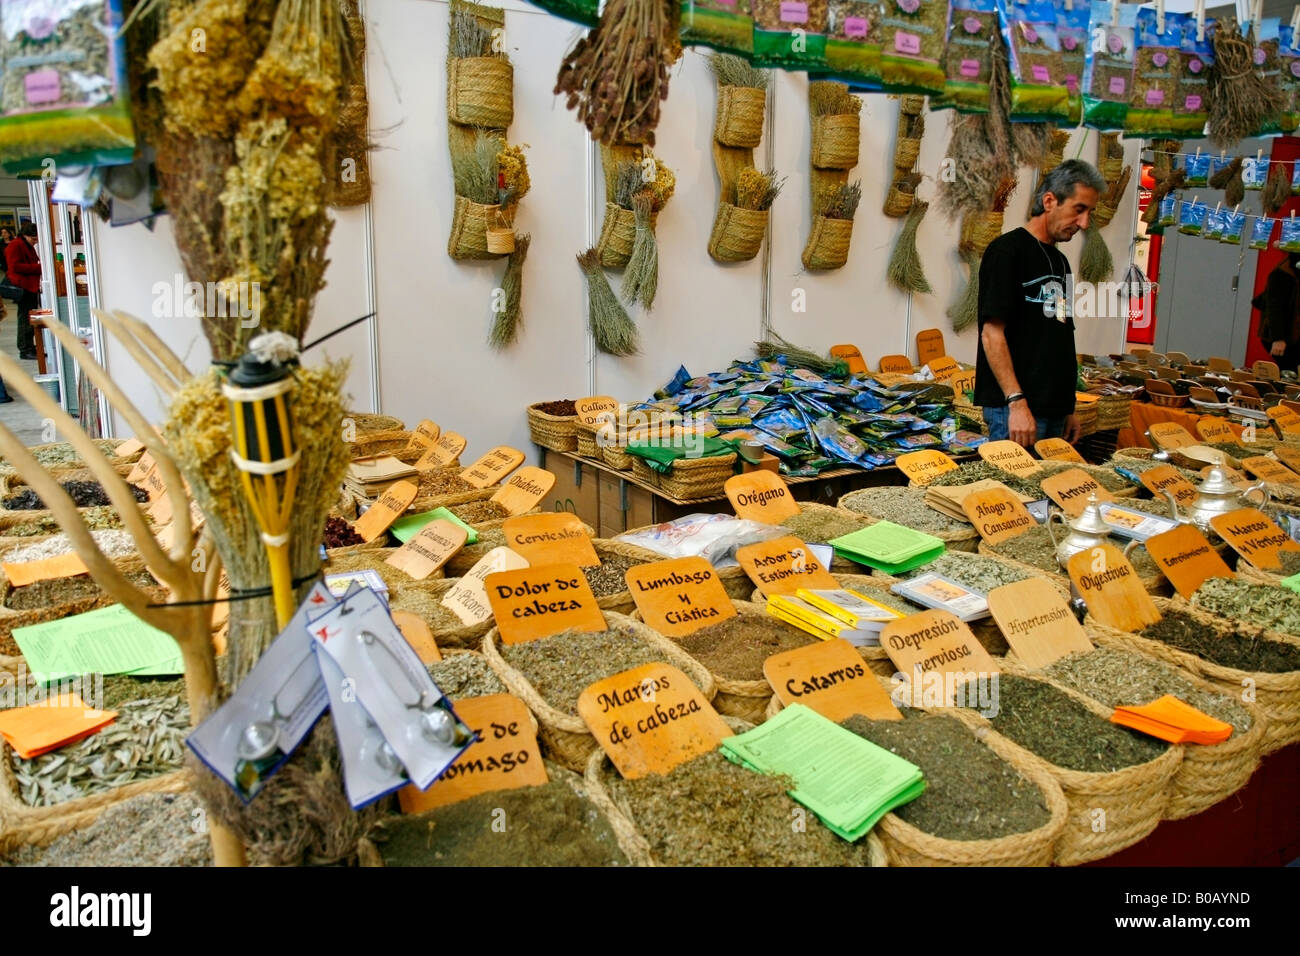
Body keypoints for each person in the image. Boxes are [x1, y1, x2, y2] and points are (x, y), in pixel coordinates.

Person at [974, 159, 1104, 449]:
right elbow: (991, 334)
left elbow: (1060, 331)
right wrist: (1016, 402)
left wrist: (1067, 406)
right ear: (1049, 201)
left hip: (1052, 410)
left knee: (1046, 492)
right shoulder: (1006, 252)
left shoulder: (1061, 261)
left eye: (1089, 213)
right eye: (1078, 210)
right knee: (1013, 493)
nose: (1083, 223)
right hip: (1015, 410)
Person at [1256, 252, 1300, 373]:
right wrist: (1278, 339)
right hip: (1282, 337)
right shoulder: (1282, 273)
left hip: (1291, 335)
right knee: (1290, 374)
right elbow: (1274, 308)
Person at [5, 222, 41, 361]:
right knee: (25, 319)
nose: (35, 242)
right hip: (23, 286)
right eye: (33, 239)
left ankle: (29, 347)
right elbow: (14, 266)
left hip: (29, 286)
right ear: (25, 235)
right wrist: (37, 268)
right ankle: (25, 349)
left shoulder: (25, 244)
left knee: (28, 318)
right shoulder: (15, 245)